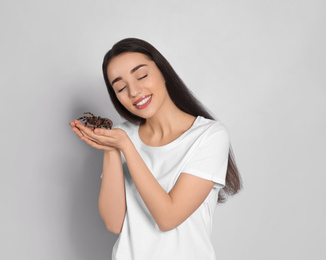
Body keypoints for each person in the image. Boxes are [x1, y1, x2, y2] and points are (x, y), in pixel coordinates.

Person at [69, 38, 242, 260]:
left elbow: (168, 218)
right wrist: (111, 149)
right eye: (121, 87)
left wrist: (125, 147)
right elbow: (114, 223)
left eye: (141, 76)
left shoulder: (209, 136)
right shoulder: (122, 135)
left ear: (163, 72)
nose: (134, 91)